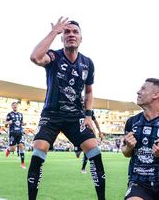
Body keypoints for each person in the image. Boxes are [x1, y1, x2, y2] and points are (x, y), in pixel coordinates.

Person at [28, 17, 106, 200]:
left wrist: (88, 116)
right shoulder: (54, 56)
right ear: (62, 38)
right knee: (39, 150)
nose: (71, 35)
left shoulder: (88, 63)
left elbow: (89, 91)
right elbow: (36, 57)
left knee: (95, 152)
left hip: (75, 117)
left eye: (75, 32)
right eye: (67, 32)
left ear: (81, 38)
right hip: (51, 115)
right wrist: (54, 31)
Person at [5, 101, 26, 169]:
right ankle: (8, 149)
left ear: (17, 106)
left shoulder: (21, 114)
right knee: (13, 149)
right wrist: (8, 122)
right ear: (12, 107)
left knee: (21, 146)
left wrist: (23, 124)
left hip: (20, 133)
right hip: (12, 134)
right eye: (13, 105)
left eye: (16, 105)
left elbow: (21, 123)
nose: (15, 106)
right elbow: (5, 124)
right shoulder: (9, 114)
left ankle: (22, 163)